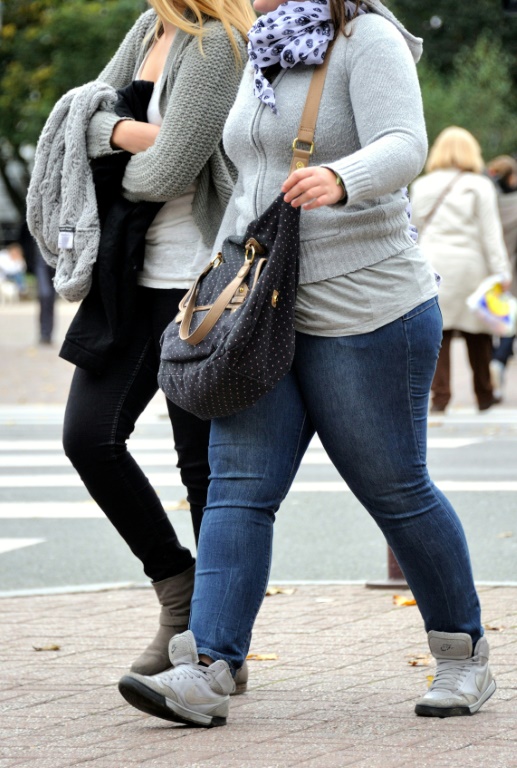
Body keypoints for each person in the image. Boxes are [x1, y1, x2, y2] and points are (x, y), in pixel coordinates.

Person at [118, 0, 497, 727]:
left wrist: (342, 177)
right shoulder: (257, 47)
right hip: (263, 311)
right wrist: (217, 276)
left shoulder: (367, 37)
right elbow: (247, 177)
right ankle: (209, 668)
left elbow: (404, 143)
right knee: (237, 487)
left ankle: (463, 655)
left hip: (368, 307)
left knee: (394, 488)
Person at [60, 0, 255, 687]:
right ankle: (178, 587)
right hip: (128, 275)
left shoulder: (217, 41)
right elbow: (77, 119)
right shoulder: (148, 28)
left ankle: (214, 644)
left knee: (201, 467)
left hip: (197, 285)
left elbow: (169, 171)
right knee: (89, 438)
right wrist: (129, 134)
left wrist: (112, 147)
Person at [410, 126, 511, 413]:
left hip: (432, 265)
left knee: (437, 332)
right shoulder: (479, 185)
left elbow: (413, 229)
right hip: (471, 267)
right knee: (478, 333)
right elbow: (490, 233)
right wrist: (502, 271)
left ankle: (440, 396)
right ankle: (484, 394)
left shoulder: (422, 185)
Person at [486, 155, 517, 401]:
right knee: (510, 325)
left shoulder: (488, 201)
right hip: (512, 274)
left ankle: (492, 378)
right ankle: (497, 362)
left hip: (486, 273)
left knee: (485, 325)